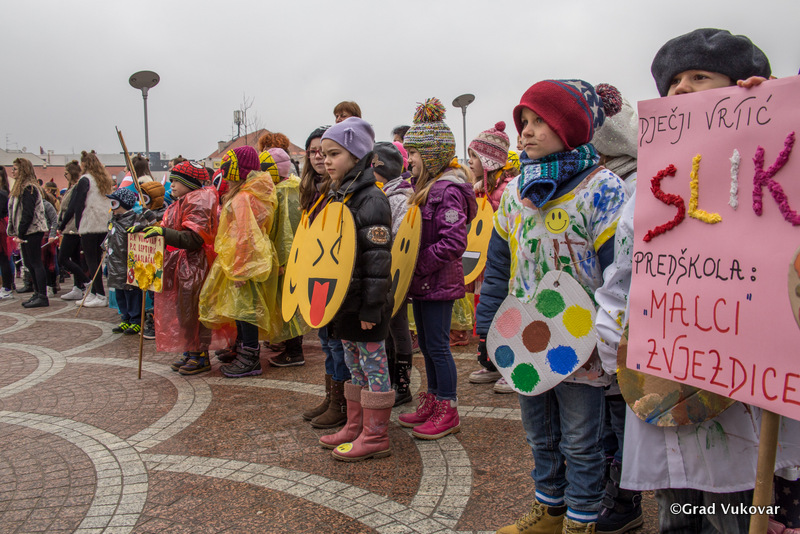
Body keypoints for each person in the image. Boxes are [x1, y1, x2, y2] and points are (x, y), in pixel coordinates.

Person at [616, 28, 800, 534]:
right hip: (665, 377)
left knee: (730, 510)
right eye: (673, 81)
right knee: (677, 507)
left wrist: (778, 115)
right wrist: (616, 334)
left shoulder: (775, 168)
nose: (681, 88)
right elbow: (625, 272)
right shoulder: (651, 186)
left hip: (741, 390)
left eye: (700, 76)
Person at [475, 80, 626, 534]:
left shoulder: (602, 188)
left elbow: (618, 270)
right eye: (524, 120)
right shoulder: (514, 192)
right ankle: (550, 511)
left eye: (539, 120)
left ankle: (582, 519)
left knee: (581, 440)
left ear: (569, 126)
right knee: (540, 434)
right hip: (523, 336)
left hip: (582, 341)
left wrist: (614, 334)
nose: (526, 130)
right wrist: (487, 327)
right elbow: (497, 266)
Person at [397, 98, 477, 440]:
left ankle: (448, 407)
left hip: (437, 283)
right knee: (429, 346)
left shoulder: (447, 191)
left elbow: (453, 242)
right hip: (425, 283)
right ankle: (432, 400)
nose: (409, 159)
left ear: (431, 155)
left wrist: (418, 266)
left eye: (414, 152)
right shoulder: (427, 189)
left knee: (439, 348)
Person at [316, 117, 395, 462]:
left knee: (374, 365)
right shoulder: (340, 195)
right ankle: (355, 426)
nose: (326, 160)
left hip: (366, 303)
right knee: (354, 364)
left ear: (356, 155)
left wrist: (370, 307)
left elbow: (378, 259)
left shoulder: (371, 199)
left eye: (334, 153)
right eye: (324, 154)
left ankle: (376, 436)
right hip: (345, 301)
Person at [137, 161, 225, 374]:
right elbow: (172, 228)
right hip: (182, 265)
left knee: (194, 312)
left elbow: (195, 238)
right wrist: (150, 229)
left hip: (196, 265)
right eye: (172, 180)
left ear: (190, 183)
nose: (172, 185)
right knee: (183, 312)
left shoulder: (199, 201)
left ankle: (200, 355)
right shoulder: (181, 202)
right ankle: (190, 350)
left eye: (176, 181)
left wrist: (163, 233)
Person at [199, 146, 277, 378]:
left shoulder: (243, 197)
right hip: (252, 257)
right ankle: (244, 351)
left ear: (236, 170)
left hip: (243, 259)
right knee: (244, 307)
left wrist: (240, 268)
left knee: (245, 310)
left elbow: (245, 233)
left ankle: (249, 357)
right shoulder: (256, 192)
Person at [298, 125, 353, 430]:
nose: (319, 157)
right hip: (315, 275)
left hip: (334, 275)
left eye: (326, 151)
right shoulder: (311, 189)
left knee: (336, 342)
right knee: (325, 340)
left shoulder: (340, 190)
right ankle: (331, 397)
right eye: (313, 151)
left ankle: (341, 403)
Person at [371, 141, 415, 406]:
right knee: (388, 328)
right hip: (384, 272)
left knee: (398, 328)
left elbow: (398, 236)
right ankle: (390, 378)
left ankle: (402, 384)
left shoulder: (399, 198)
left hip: (394, 273)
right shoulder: (386, 193)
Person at [263, 147, 311, 367]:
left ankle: (294, 351)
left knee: (287, 304)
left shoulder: (280, 193)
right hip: (301, 254)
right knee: (293, 302)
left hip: (286, 258)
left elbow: (283, 231)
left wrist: (280, 260)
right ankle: (290, 345)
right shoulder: (296, 186)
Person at [59, 151, 114, 308]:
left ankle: (100, 294)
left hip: (90, 223)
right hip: (103, 223)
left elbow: (76, 204)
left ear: (84, 164)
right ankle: (95, 292)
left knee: (91, 261)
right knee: (96, 259)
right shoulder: (103, 179)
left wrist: (68, 224)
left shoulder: (85, 180)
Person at [7, 158, 51, 308]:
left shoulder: (29, 188)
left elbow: (27, 213)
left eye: (15, 169)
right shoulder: (21, 188)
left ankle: (42, 296)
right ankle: (37, 292)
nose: (12, 171)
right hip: (27, 231)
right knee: (29, 264)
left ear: (23, 170)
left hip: (33, 230)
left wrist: (20, 233)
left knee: (36, 263)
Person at [104, 187, 147, 334]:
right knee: (120, 293)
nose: (112, 207)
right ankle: (125, 317)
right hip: (115, 264)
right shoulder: (114, 220)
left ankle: (136, 319)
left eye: (114, 203)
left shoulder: (135, 219)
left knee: (132, 293)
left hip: (129, 263)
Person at [58, 160, 90, 300]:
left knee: (63, 258)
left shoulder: (77, 187)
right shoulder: (72, 187)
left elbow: (71, 208)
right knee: (75, 258)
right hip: (71, 226)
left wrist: (61, 225)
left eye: (66, 173)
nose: (65, 176)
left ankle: (86, 281)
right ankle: (78, 286)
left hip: (71, 227)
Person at [0, 166, 15, 299]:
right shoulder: (5, 192)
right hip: (3, 226)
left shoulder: (2, 193)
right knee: (5, 258)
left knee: (4, 258)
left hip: (1, 227)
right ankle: (7, 286)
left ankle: (7, 287)